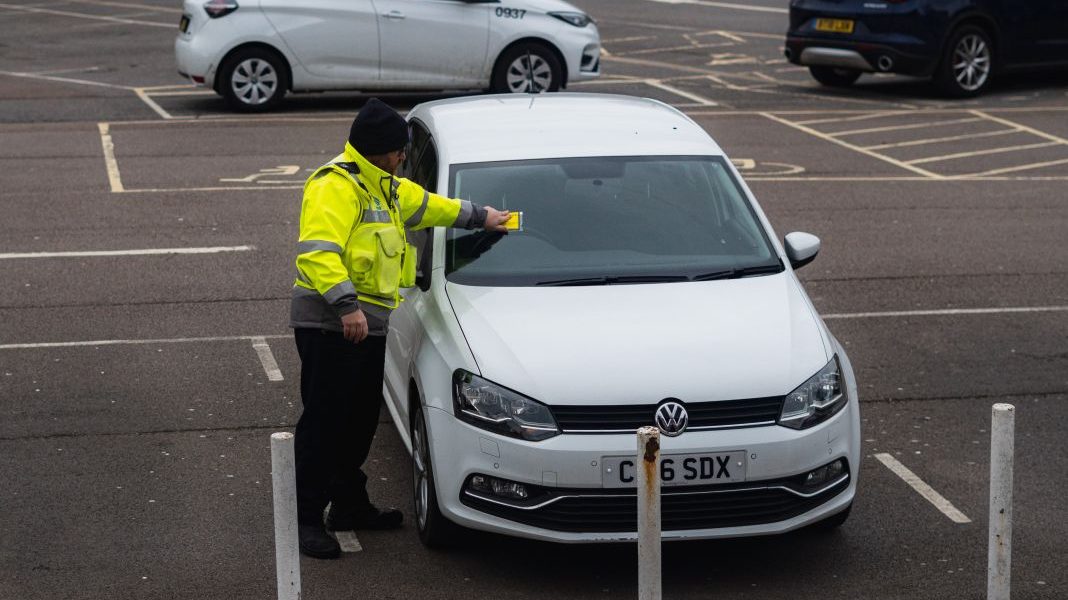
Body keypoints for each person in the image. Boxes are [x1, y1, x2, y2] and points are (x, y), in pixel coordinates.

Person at [290, 98, 510, 559]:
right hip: (332, 327)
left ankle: (349, 505)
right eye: (399, 151)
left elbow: (431, 205)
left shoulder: (385, 186)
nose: (404, 158)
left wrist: (483, 217)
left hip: (366, 327)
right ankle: (307, 520)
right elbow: (317, 253)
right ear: (379, 151)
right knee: (325, 425)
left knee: (357, 425)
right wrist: (346, 306)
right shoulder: (336, 186)